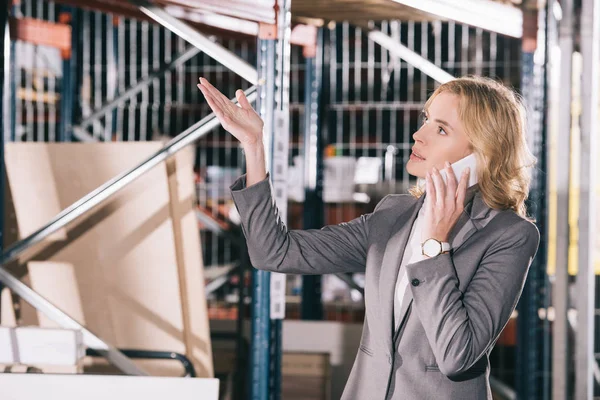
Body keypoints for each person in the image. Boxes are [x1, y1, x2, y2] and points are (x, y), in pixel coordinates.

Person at [197, 76, 540, 400]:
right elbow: (274, 253)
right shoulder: (393, 215)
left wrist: (436, 244)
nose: (418, 135)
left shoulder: (509, 235)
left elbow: (456, 355)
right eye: (425, 119)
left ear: (481, 153)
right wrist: (254, 147)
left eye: (440, 129)